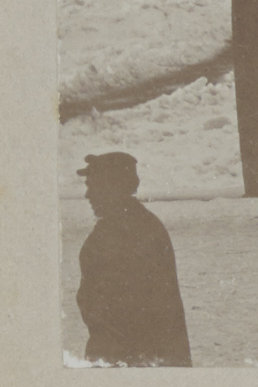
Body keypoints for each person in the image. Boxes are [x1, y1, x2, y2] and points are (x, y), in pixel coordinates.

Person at [74, 152, 191, 366]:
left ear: (112, 187)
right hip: (143, 354)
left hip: (127, 355)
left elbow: (119, 307)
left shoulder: (122, 231)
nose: (88, 195)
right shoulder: (140, 223)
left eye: (93, 186)